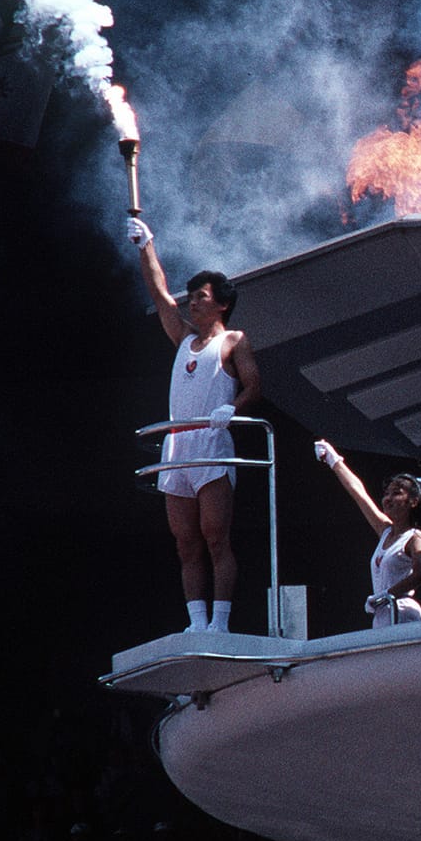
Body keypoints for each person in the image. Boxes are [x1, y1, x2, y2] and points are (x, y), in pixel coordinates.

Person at [127, 217, 260, 633]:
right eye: (193, 297)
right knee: (186, 543)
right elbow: (162, 296)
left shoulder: (233, 340)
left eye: (201, 297)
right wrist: (146, 245)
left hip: (212, 441)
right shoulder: (183, 339)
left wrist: (232, 409)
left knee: (215, 537)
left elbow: (255, 385)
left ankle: (220, 622)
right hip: (177, 447)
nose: (192, 303)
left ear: (221, 304)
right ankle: (197, 622)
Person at [312, 440, 421, 627]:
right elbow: (358, 493)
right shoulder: (385, 530)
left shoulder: (415, 537)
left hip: (402, 612)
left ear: (413, 501)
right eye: (387, 493)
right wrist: (333, 459)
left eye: (396, 493)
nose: (388, 499)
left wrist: (387, 594)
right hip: (382, 614)